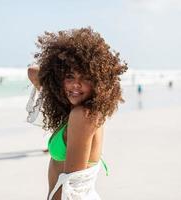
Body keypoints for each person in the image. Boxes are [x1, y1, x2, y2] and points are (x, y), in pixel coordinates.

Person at [27, 27, 127, 199]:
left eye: (86, 78)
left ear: (98, 82)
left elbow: (73, 187)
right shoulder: (77, 109)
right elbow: (33, 72)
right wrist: (56, 72)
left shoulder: (83, 115)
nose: (75, 84)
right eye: (70, 76)